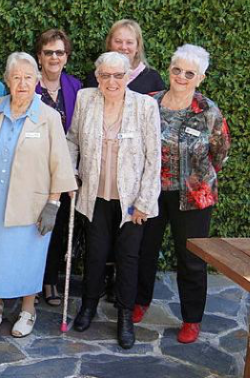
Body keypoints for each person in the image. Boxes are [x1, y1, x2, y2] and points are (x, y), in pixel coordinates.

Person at [0, 52, 77, 338]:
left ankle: (28, 310)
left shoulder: (49, 117)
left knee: (28, 256)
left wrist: (53, 204)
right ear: (6, 80)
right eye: (16, 77)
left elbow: (60, 162)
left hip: (32, 202)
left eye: (28, 78)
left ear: (38, 81)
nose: (22, 83)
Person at [134, 44, 231, 343]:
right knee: (144, 250)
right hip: (151, 192)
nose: (182, 76)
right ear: (169, 70)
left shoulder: (208, 112)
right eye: (177, 70)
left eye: (190, 73)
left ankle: (191, 319)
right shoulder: (149, 103)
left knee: (191, 259)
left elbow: (220, 153)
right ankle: (140, 301)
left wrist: (195, 176)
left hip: (193, 195)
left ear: (200, 78)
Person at [67, 51, 161, 349]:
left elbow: (154, 157)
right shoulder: (85, 99)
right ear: (97, 77)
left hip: (132, 200)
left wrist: (145, 201)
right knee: (94, 254)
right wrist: (70, 173)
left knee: (128, 259)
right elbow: (72, 139)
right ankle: (88, 307)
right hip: (94, 193)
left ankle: (124, 316)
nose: (111, 81)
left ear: (127, 76)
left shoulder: (144, 106)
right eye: (105, 75)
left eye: (118, 75)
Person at [33, 29, 83, 306]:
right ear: (39, 56)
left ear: (66, 57)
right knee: (33, 226)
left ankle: (50, 280)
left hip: (64, 171)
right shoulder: (29, 84)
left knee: (59, 227)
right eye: (49, 52)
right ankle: (32, 280)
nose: (54, 57)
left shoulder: (76, 88)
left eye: (60, 52)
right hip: (35, 171)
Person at [84, 19, 165, 94]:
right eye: (118, 41)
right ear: (109, 44)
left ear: (137, 47)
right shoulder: (95, 77)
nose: (123, 47)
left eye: (129, 42)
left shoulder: (153, 80)